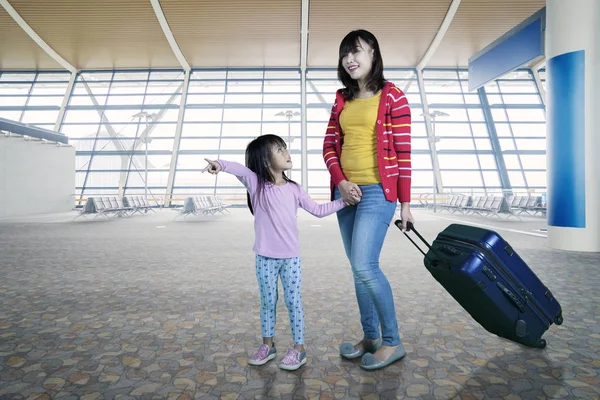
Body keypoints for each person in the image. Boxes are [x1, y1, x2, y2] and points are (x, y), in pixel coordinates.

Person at [203, 134, 354, 371]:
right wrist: (219, 165)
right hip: (264, 256)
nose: (286, 153)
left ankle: (299, 349)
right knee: (268, 302)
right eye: (279, 150)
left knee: (293, 302)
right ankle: (268, 346)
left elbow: (319, 210)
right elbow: (238, 169)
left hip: (291, 258)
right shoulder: (256, 183)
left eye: (285, 148)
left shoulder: (294, 188)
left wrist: (345, 201)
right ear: (264, 160)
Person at [322, 29, 415, 370]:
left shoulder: (394, 97)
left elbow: (403, 155)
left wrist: (405, 205)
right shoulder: (341, 98)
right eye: (345, 54)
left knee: (365, 265)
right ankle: (370, 337)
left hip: (378, 191)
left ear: (374, 54)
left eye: (357, 52)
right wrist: (342, 183)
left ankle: (392, 341)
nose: (351, 59)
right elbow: (329, 146)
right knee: (357, 270)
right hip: (345, 193)